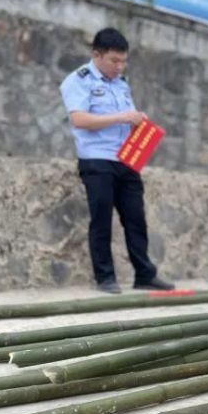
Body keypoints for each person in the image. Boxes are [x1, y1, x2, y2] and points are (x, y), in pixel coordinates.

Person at [60, 27, 174, 294]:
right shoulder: (79, 80)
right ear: (97, 55)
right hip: (97, 160)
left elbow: (127, 116)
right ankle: (105, 277)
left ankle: (144, 273)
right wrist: (122, 117)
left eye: (124, 61)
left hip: (126, 159)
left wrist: (137, 121)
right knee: (101, 220)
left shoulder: (121, 83)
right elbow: (79, 119)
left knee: (136, 219)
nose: (119, 66)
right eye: (114, 60)